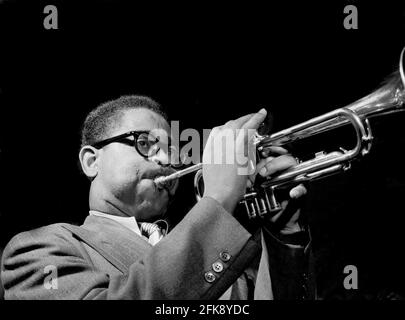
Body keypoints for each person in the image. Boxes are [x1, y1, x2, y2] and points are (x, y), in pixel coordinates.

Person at [0, 95, 313, 300]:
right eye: (146, 144)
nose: (167, 160)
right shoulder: (37, 249)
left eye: (173, 150)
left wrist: (282, 232)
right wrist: (218, 198)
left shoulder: (222, 247)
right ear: (91, 161)